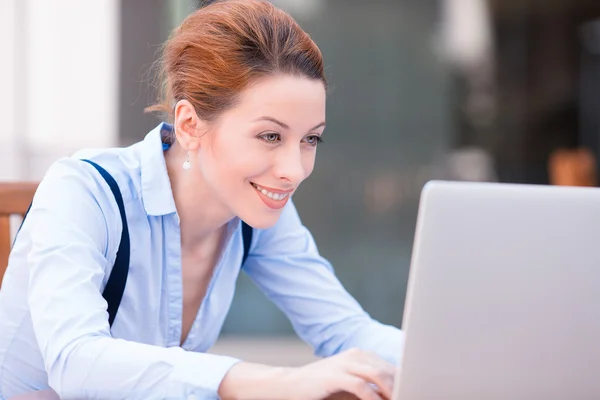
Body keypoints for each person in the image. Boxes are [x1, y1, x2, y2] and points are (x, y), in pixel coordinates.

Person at [0, 1, 404, 399]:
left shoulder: (254, 208)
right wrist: (276, 382)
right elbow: (75, 361)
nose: (294, 170)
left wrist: (446, 358)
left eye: (309, 139)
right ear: (190, 125)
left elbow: (344, 329)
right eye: (270, 136)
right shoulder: (85, 192)